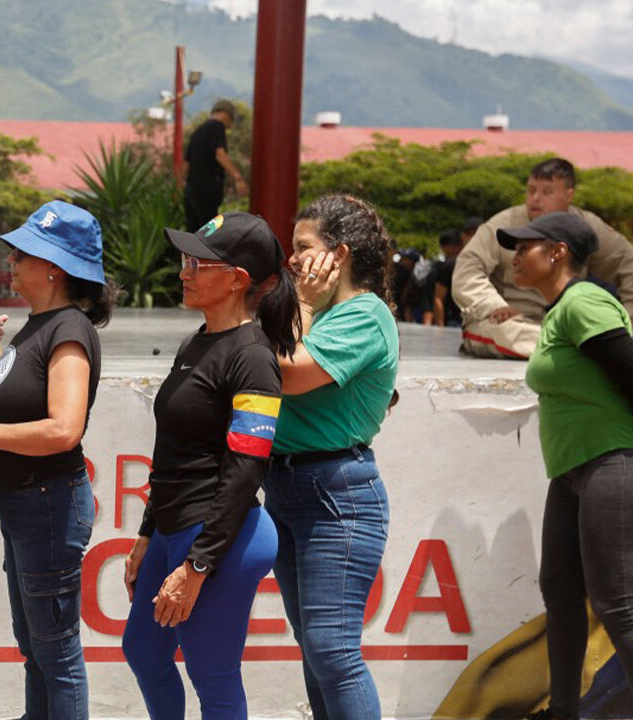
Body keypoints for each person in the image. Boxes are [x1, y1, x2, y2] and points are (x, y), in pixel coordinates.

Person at [122, 212, 298, 719]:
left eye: (197, 264)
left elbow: (247, 469)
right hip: (175, 526)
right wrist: (147, 534)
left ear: (238, 279)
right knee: (143, 651)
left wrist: (198, 564)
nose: (184, 272)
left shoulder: (254, 357)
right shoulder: (196, 341)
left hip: (221, 539)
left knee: (213, 677)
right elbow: (173, 451)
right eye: (186, 260)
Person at [0, 201, 116, 720]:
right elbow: (12, 400)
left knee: (55, 652)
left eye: (22, 254)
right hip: (29, 507)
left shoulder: (68, 330)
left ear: (54, 268)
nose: (12, 262)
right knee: (37, 646)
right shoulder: (40, 326)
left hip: (46, 505)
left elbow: (63, 430)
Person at [497, 212, 633, 720]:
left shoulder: (582, 302)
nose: (516, 256)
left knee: (617, 604)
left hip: (614, 462)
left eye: (526, 247)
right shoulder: (559, 311)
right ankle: (563, 712)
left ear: (558, 252)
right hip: (571, 472)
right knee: (560, 595)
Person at [264, 195, 399, 720]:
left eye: (303, 247)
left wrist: (301, 304)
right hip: (289, 487)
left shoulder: (364, 313)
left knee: (332, 650)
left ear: (338, 255)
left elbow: (287, 373)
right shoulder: (324, 314)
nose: (293, 259)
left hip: (336, 494)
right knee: (315, 648)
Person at [452, 158, 633, 359]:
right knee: (501, 332)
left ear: (568, 195)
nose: (535, 198)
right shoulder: (502, 224)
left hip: (568, 322)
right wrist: (492, 305)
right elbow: (468, 270)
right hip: (510, 322)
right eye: (531, 190)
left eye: (546, 192)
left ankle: (588, 345)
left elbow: (632, 263)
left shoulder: (585, 226)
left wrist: (631, 315)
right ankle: (587, 348)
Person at [183, 100, 248, 232]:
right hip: (207, 192)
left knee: (193, 233)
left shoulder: (197, 132)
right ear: (226, 114)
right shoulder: (217, 127)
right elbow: (219, 154)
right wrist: (238, 178)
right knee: (210, 233)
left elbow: (186, 164)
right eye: (231, 119)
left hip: (191, 193)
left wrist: (184, 186)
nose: (230, 125)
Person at [434, 228, 465, 327]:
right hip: (471, 318)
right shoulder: (474, 261)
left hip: (453, 319)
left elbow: (438, 297)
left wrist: (440, 325)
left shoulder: (449, 264)